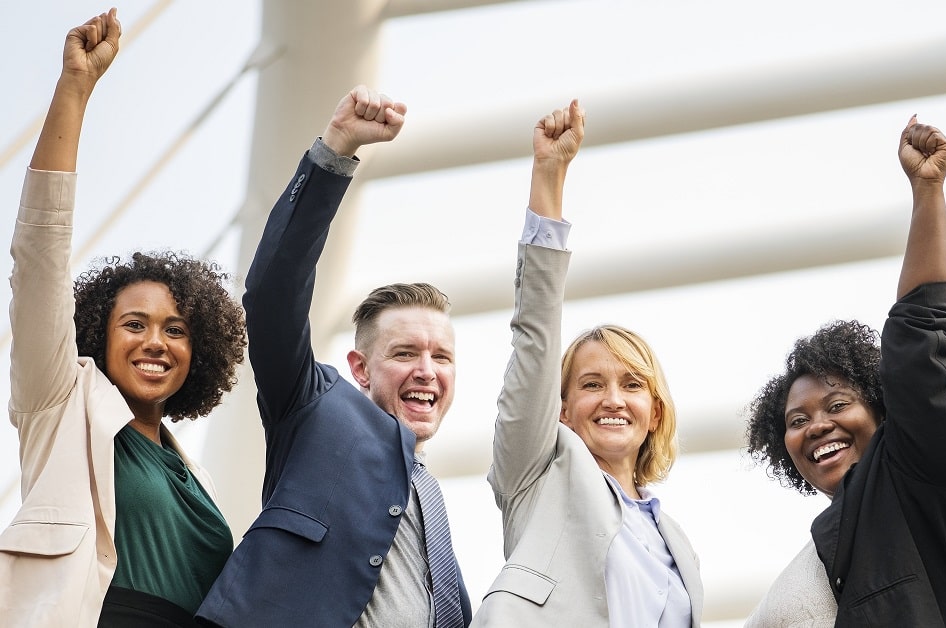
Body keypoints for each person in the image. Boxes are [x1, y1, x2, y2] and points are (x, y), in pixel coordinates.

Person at [0, 8, 248, 627]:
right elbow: (40, 258)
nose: (155, 342)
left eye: (176, 329)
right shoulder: (60, 405)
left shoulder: (197, 476)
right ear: (98, 336)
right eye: (134, 323)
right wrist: (75, 90)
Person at [196, 85, 471, 628]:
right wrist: (335, 152)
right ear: (359, 368)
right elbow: (273, 295)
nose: (426, 371)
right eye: (405, 353)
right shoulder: (314, 406)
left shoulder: (428, 494)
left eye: (442, 356)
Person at [471, 100, 703, 627]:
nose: (613, 399)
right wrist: (549, 176)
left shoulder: (678, 546)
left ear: (656, 412)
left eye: (632, 385)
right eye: (592, 384)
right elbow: (534, 337)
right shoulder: (539, 477)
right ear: (563, 411)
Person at [744, 116, 946, 626]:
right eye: (797, 421)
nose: (817, 425)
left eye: (837, 405)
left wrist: (926, 191)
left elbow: (922, 326)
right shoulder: (831, 542)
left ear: (884, 410)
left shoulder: (915, 475)